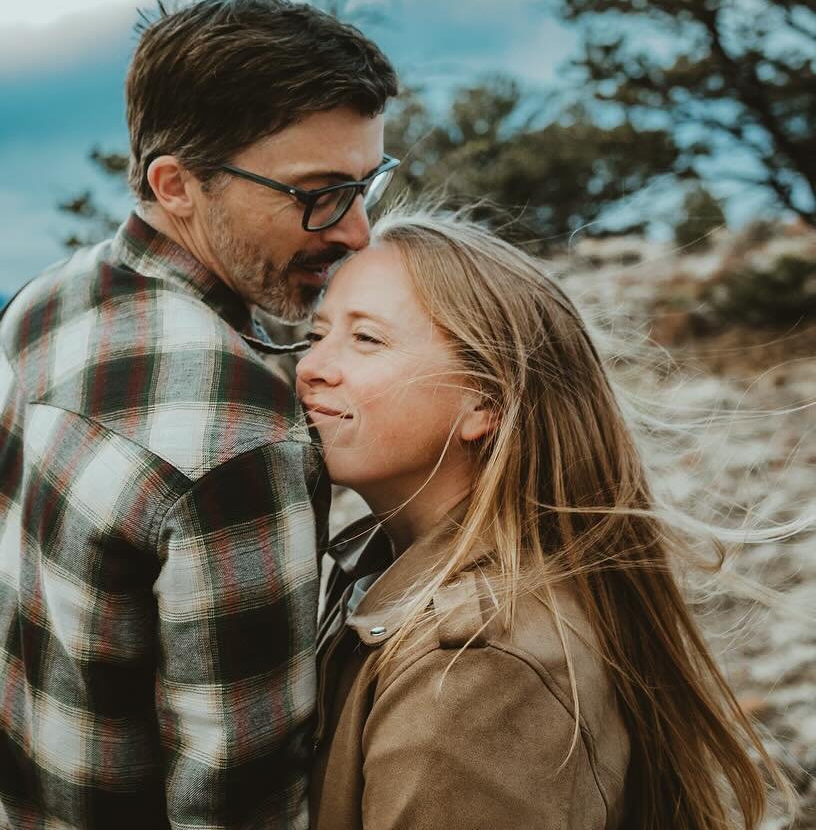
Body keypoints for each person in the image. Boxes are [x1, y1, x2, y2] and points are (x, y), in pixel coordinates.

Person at [0, 0, 400, 829]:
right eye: (317, 192)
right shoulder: (243, 439)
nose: (355, 231)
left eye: (365, 184)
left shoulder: (41, 303)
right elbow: (246, 803)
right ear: (176, 185)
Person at [297, 211, 791, 830]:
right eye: (316, 335)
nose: (313, 366)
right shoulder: (381, 573)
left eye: (366, 339)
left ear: (486, 400)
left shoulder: (476, 670)